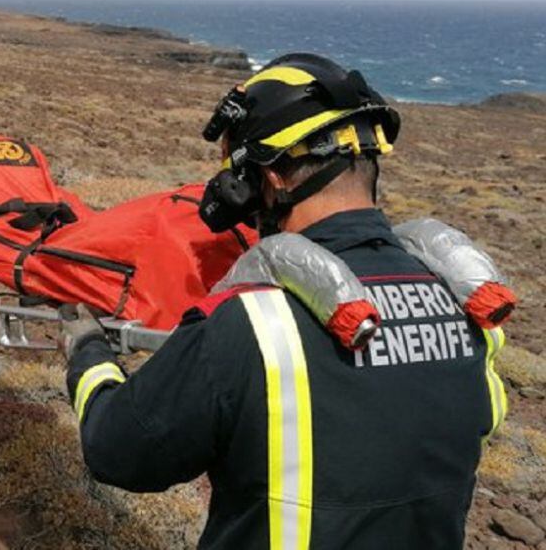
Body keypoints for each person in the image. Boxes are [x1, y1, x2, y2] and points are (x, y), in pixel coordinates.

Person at [61, 53, 508, 549]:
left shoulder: (250, 321)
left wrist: (89, 358)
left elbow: (117, 452)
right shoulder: (465, 309)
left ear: (271, 176)